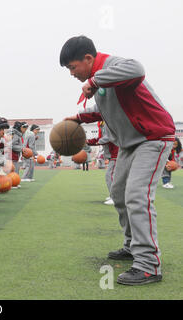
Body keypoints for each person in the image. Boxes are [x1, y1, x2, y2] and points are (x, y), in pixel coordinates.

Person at [61, 35, 175, 285]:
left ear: (88, 58)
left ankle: (148, 264)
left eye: (72, 67)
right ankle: (133, 246)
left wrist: (94, 79)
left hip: (153, 137)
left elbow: (137, 68)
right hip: (130, 143)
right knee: (119, 192)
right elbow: (104, 109)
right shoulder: (101, 81)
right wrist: (79, 118)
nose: (71, 73)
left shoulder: (111, 65)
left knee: (136, 196)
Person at [86, 121, 119, 205]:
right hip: (112, 154)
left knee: (109, 175)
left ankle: (115, 198)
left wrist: (98, 142)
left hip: (116, 153)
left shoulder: (109, 121)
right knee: (113, 176)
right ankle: (114, 196)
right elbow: (101, 138)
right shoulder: (101, 123)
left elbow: (109, 137)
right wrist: (88, 141)